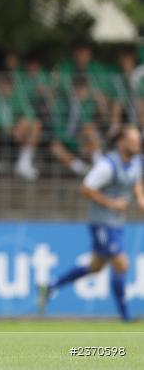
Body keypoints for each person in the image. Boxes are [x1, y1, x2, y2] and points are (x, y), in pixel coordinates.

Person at [37, 124, 144, 322]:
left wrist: (140, 198)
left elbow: (136, 180)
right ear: (122, 142)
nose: (138, 142)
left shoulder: (137, 161)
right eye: (134, 138)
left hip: (117, 223)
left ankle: (51, 285)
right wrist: (111, 203)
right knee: (121, 264)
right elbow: (85, 188)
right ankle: (126, 317)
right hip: (101, 222)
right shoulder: (107, 165)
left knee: (96, 267)